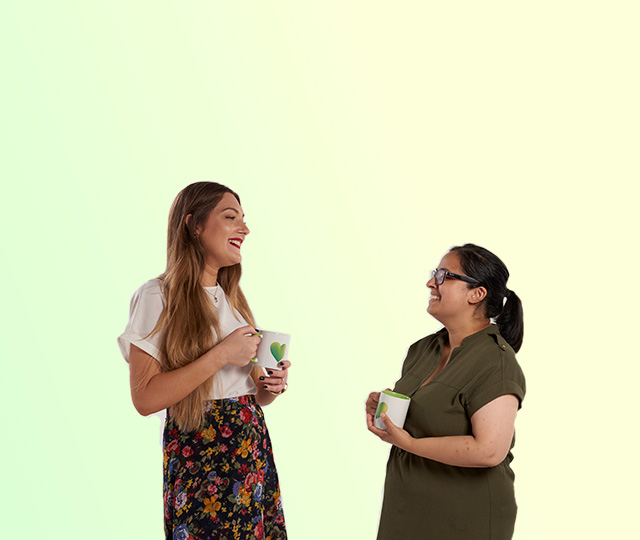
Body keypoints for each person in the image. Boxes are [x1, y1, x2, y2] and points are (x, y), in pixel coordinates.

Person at [118, 182, 289, 540]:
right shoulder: (157, 296)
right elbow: (145, 398)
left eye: (244, 219)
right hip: (204, 457)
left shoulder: (232, 300)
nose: (244, 228)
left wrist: (270, 386)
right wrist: (221, 354)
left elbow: (251, 393)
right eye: (230, 217)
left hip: (250, 451)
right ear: (194, 225)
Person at [366, 243, 526, 540]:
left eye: (443, 275)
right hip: (405, 513)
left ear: (476, 294)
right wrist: (381, 409)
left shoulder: (496, 361)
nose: (431, 282)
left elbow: (489, 450)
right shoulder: (423, 349)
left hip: (464, 520)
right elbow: (423, 414)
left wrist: (408, 443)